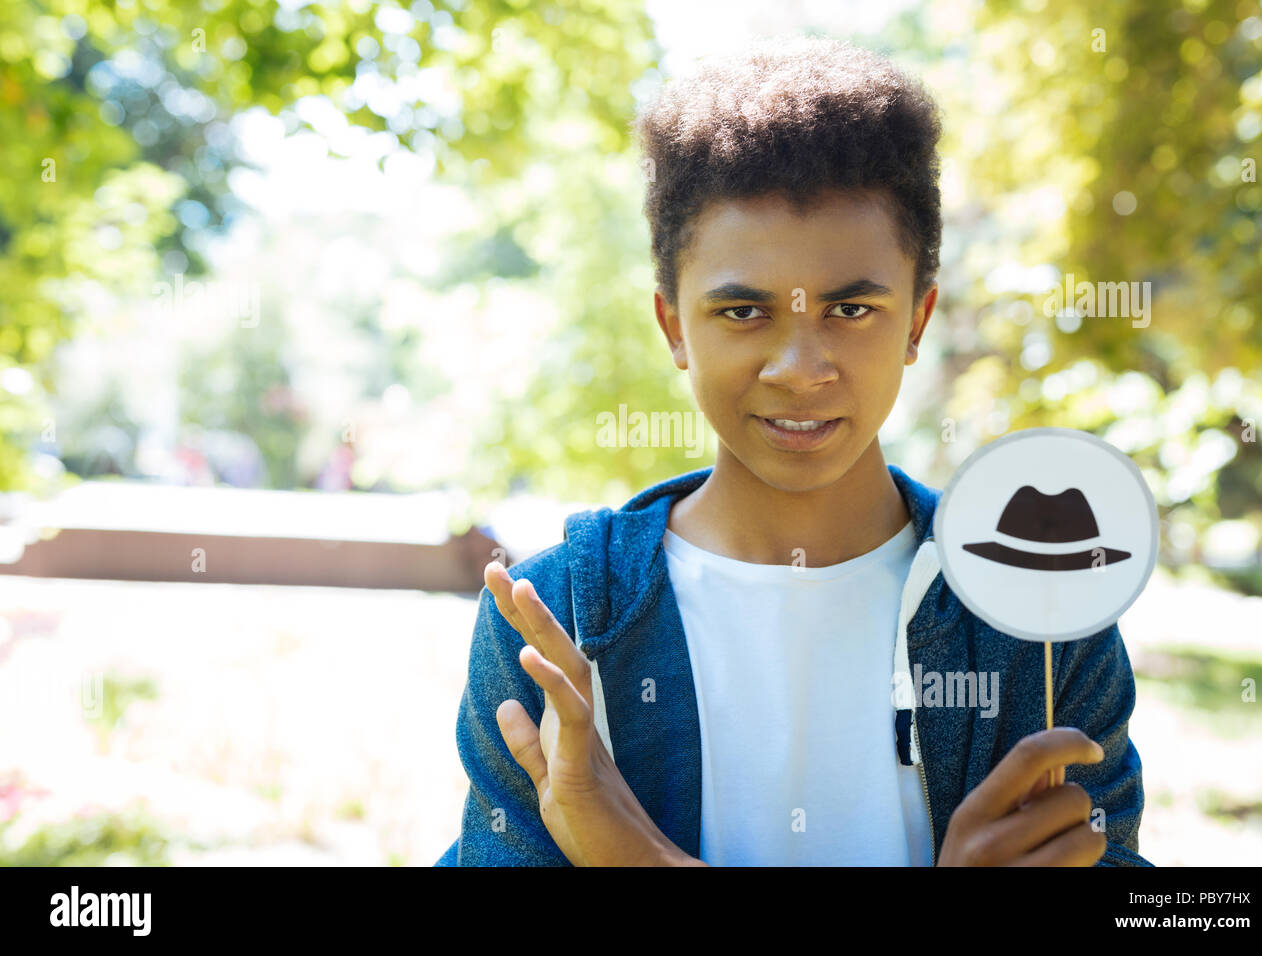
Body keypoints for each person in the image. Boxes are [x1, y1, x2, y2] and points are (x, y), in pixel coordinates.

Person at [437, 35, 1150, 867]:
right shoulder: (554, 625)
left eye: (851, 312)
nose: (800, 370)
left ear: (917, 321)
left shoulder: (1037, 619)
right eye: (744, 313)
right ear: (674, 327)